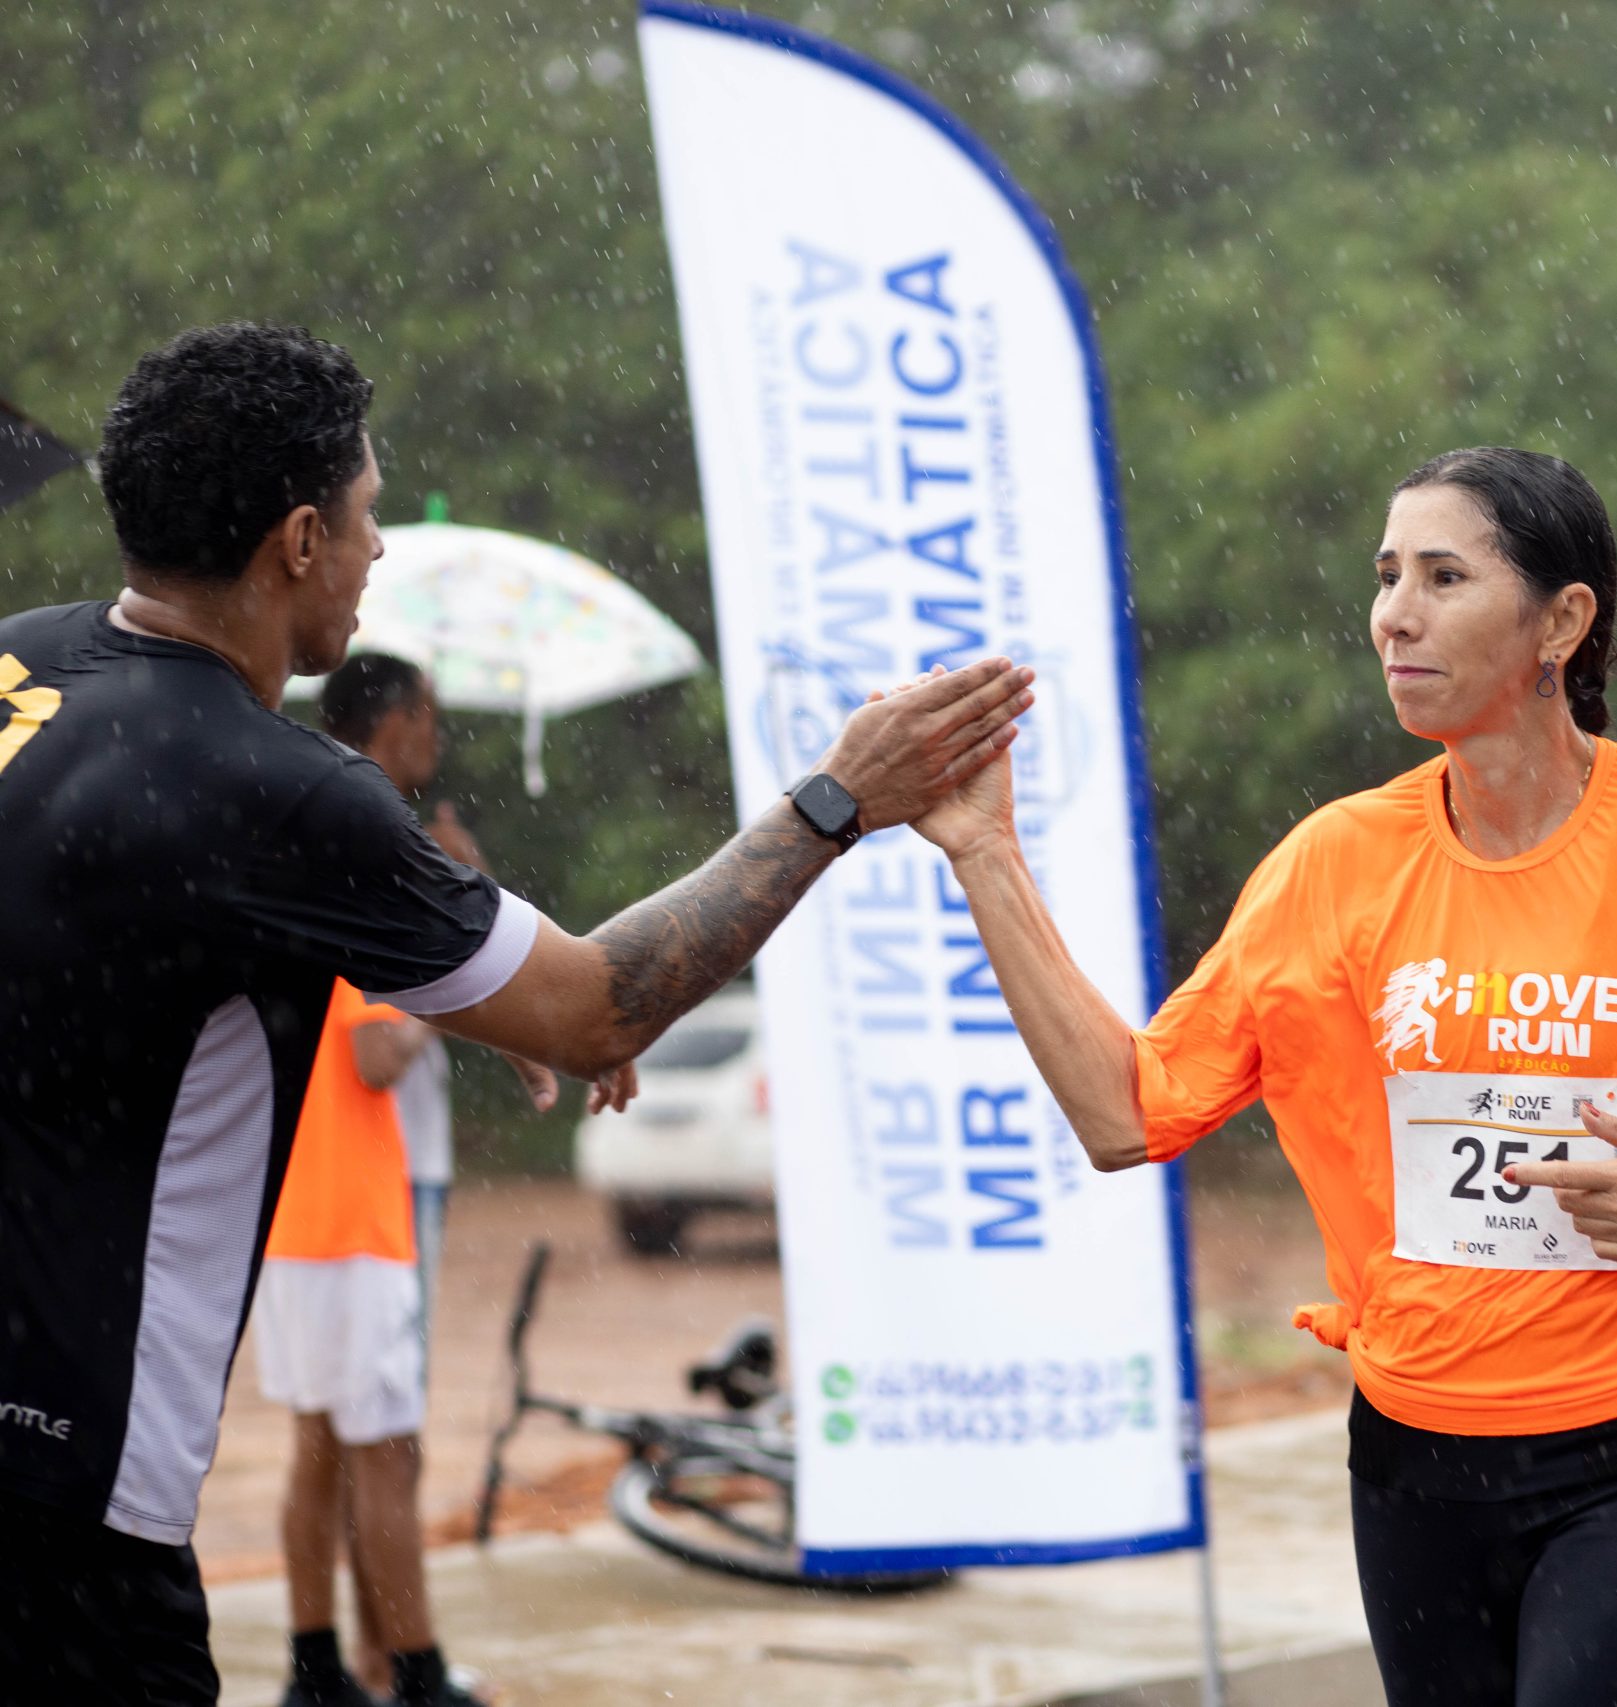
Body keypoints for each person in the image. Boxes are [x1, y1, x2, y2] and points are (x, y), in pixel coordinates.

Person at [0, 322, 1033, 1705]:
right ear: (298, 540)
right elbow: (598, 1009)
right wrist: (838, 796)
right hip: (65, 1509)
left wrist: (474, 998)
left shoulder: (21, 664)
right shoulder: (277, 789)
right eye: (365, 515)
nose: (377, 550)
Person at [907, 446, 1617, 1705]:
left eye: (1444, 577)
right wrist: (985, 855)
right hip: (1415, 1463)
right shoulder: (1333, 861)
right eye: (1387, 576)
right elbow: (1128, 1114)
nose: (1395, 613)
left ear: (1562, 621)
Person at [252, 979, 481, 1707]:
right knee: (388, 1451)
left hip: (293, 1215)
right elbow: (377, 1058)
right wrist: (438, 1007)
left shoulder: (289, 930)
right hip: (353, 1226)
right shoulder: (359, 939)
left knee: (316, 1446)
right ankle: (418, 1677)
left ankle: (315, 1671)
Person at [318, 654, 471, 1349]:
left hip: (355, 1172)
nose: (439, 736)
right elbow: (377, 1055)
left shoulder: (324, 814)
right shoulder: (366, 839)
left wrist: (453, 889)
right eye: (430, 715)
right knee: (390, 1395)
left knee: (354, 1400)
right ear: (397, 722)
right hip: (380, 1174)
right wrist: (458, 967)